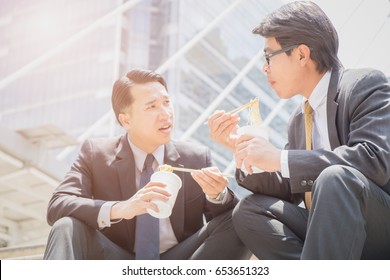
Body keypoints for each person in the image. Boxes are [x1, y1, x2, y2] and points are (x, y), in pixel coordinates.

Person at [208, 1, 390, 259]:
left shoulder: (365, 85)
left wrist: (279, 158)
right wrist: (243, 151)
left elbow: (375, 160)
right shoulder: (298, 119)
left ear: (302, 55)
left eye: (269, 55)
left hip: (377, 225)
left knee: (335, 177)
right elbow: (289, 186)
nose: (265, 67)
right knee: (250, 210)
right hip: (326, 231)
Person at [44, 69, 251, 260]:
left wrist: (217, 195)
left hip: (180, 262)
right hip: (118, 259)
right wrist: (121, 208)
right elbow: (58, 205)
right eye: (152, 106)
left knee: (242, 218)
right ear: (126, 121)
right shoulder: (95, 153)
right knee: (66, 226)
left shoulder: (196, 157)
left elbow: (225, 223)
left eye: (166, 102)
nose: (165, 113)